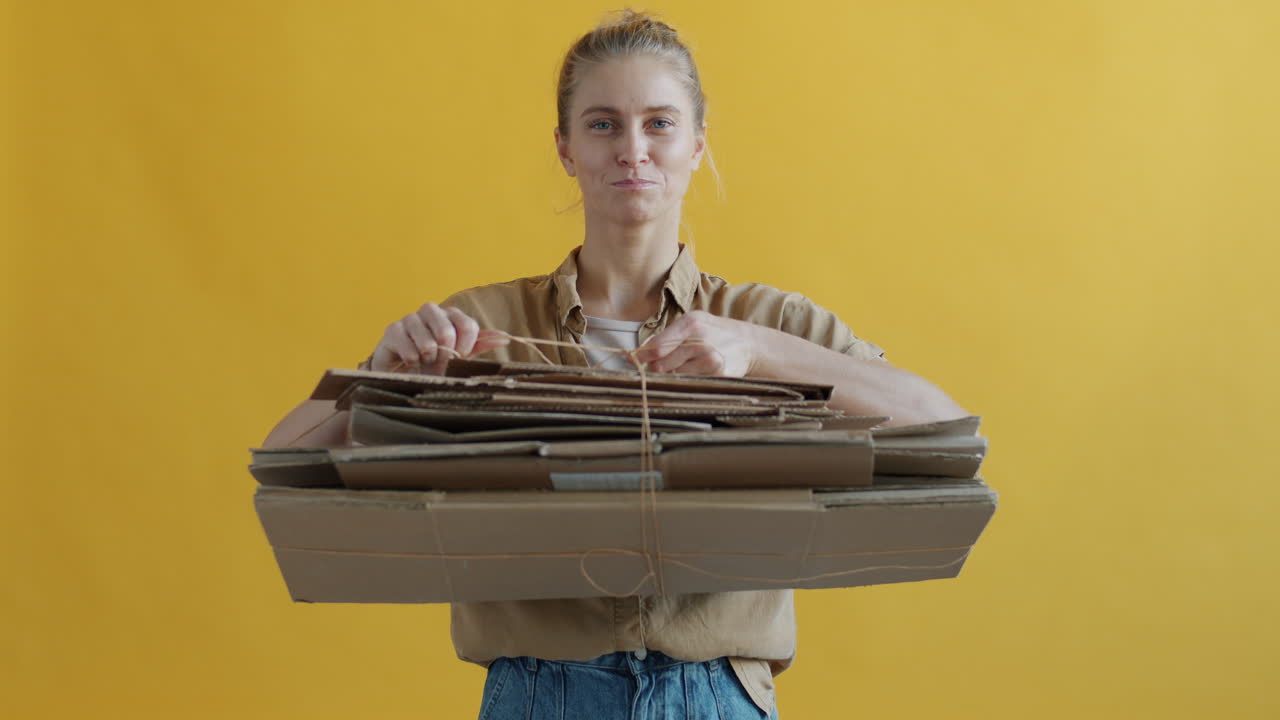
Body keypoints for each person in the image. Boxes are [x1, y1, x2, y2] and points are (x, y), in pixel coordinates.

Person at [264, 10, 967, 719]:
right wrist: (374, 378)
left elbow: (942, 425)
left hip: (717, 694)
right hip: (538, 693)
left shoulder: (770, 322)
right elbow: (281, 462)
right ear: (566, 148)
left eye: (660, 123)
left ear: (697, 144)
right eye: (603, 124)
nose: (633, 149)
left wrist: (760, 352)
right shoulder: (478, 326)